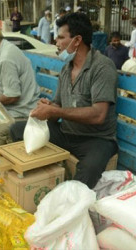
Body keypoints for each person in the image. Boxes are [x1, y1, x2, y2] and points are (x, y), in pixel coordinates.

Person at [26, 13, 118, 189]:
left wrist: (55, 112)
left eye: (61, 37)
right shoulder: (66, 69)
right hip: (67, 132)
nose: (56, 42)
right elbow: (58, 106)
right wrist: (48, 108)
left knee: (86, 174)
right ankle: (40, 185)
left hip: (96, 139)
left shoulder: (102, 67)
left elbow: (98, 115)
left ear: (76, 40)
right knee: (18, 130)